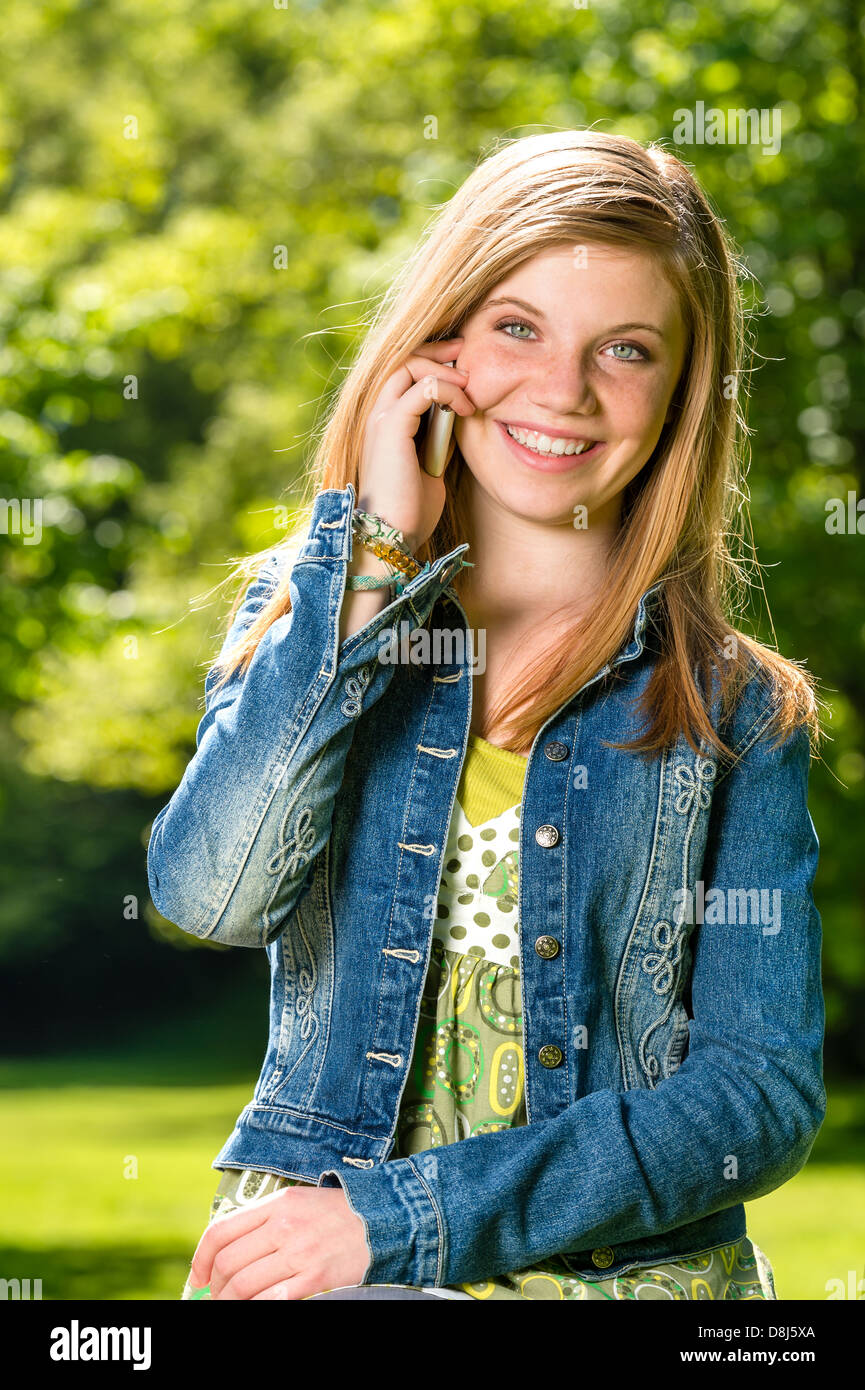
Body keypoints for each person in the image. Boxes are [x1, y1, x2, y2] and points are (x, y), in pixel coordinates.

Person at [147, 129, 826, 1301]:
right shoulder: (309, 612)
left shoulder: (733, 711)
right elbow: (215, 894)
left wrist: (408, 1220)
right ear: (440, 337)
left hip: (621, 1280)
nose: (561, 392)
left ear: (679, 391)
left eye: (623, 349)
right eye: (518, 327)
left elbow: (753, 1098)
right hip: (318, 1267)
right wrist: (369, 568)